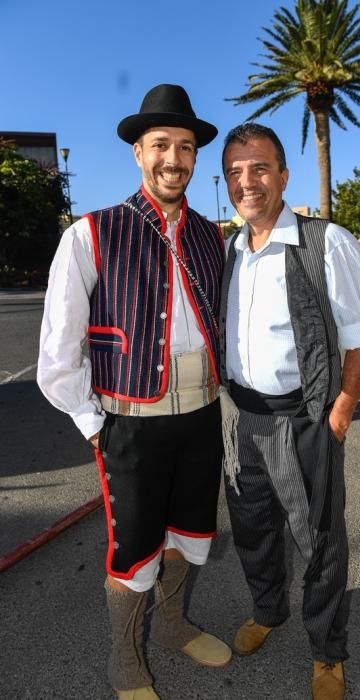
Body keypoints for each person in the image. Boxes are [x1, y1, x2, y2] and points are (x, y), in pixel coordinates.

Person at [37, 84, 231, 700]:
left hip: (201, 413)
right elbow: (58, 350)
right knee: (134, 546)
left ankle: (171, 628)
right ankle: (125, 659)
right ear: (138, 154)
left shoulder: (210, 235)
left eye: (184, 147)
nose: (173, 158)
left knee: (189, 533)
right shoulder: (91, 233)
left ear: (196, 157)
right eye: (160, 146)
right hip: (130, 419)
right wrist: (95, 423)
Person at [218, 123, 360, 700]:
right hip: (245, 421)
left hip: (304, 418)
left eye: (259, 168)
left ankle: (328, 652)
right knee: (253, 530)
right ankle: (268, 612)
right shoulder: (229, 252)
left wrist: (340, 413)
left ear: (283, 175)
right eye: (235, 172)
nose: (247, 182)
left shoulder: (324, 242)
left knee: (318, 541)